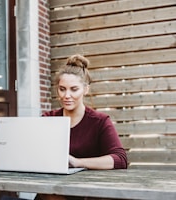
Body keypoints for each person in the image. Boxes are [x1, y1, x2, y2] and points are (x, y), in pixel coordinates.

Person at [35, 54, 128, 200]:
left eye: (74, 89)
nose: (67, 95)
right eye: (62, 89)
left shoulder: (100, 121)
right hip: (52, 191)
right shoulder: (48, 119)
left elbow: (120, 159)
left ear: (85, 90)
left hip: (86, 193)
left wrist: (77, 162)